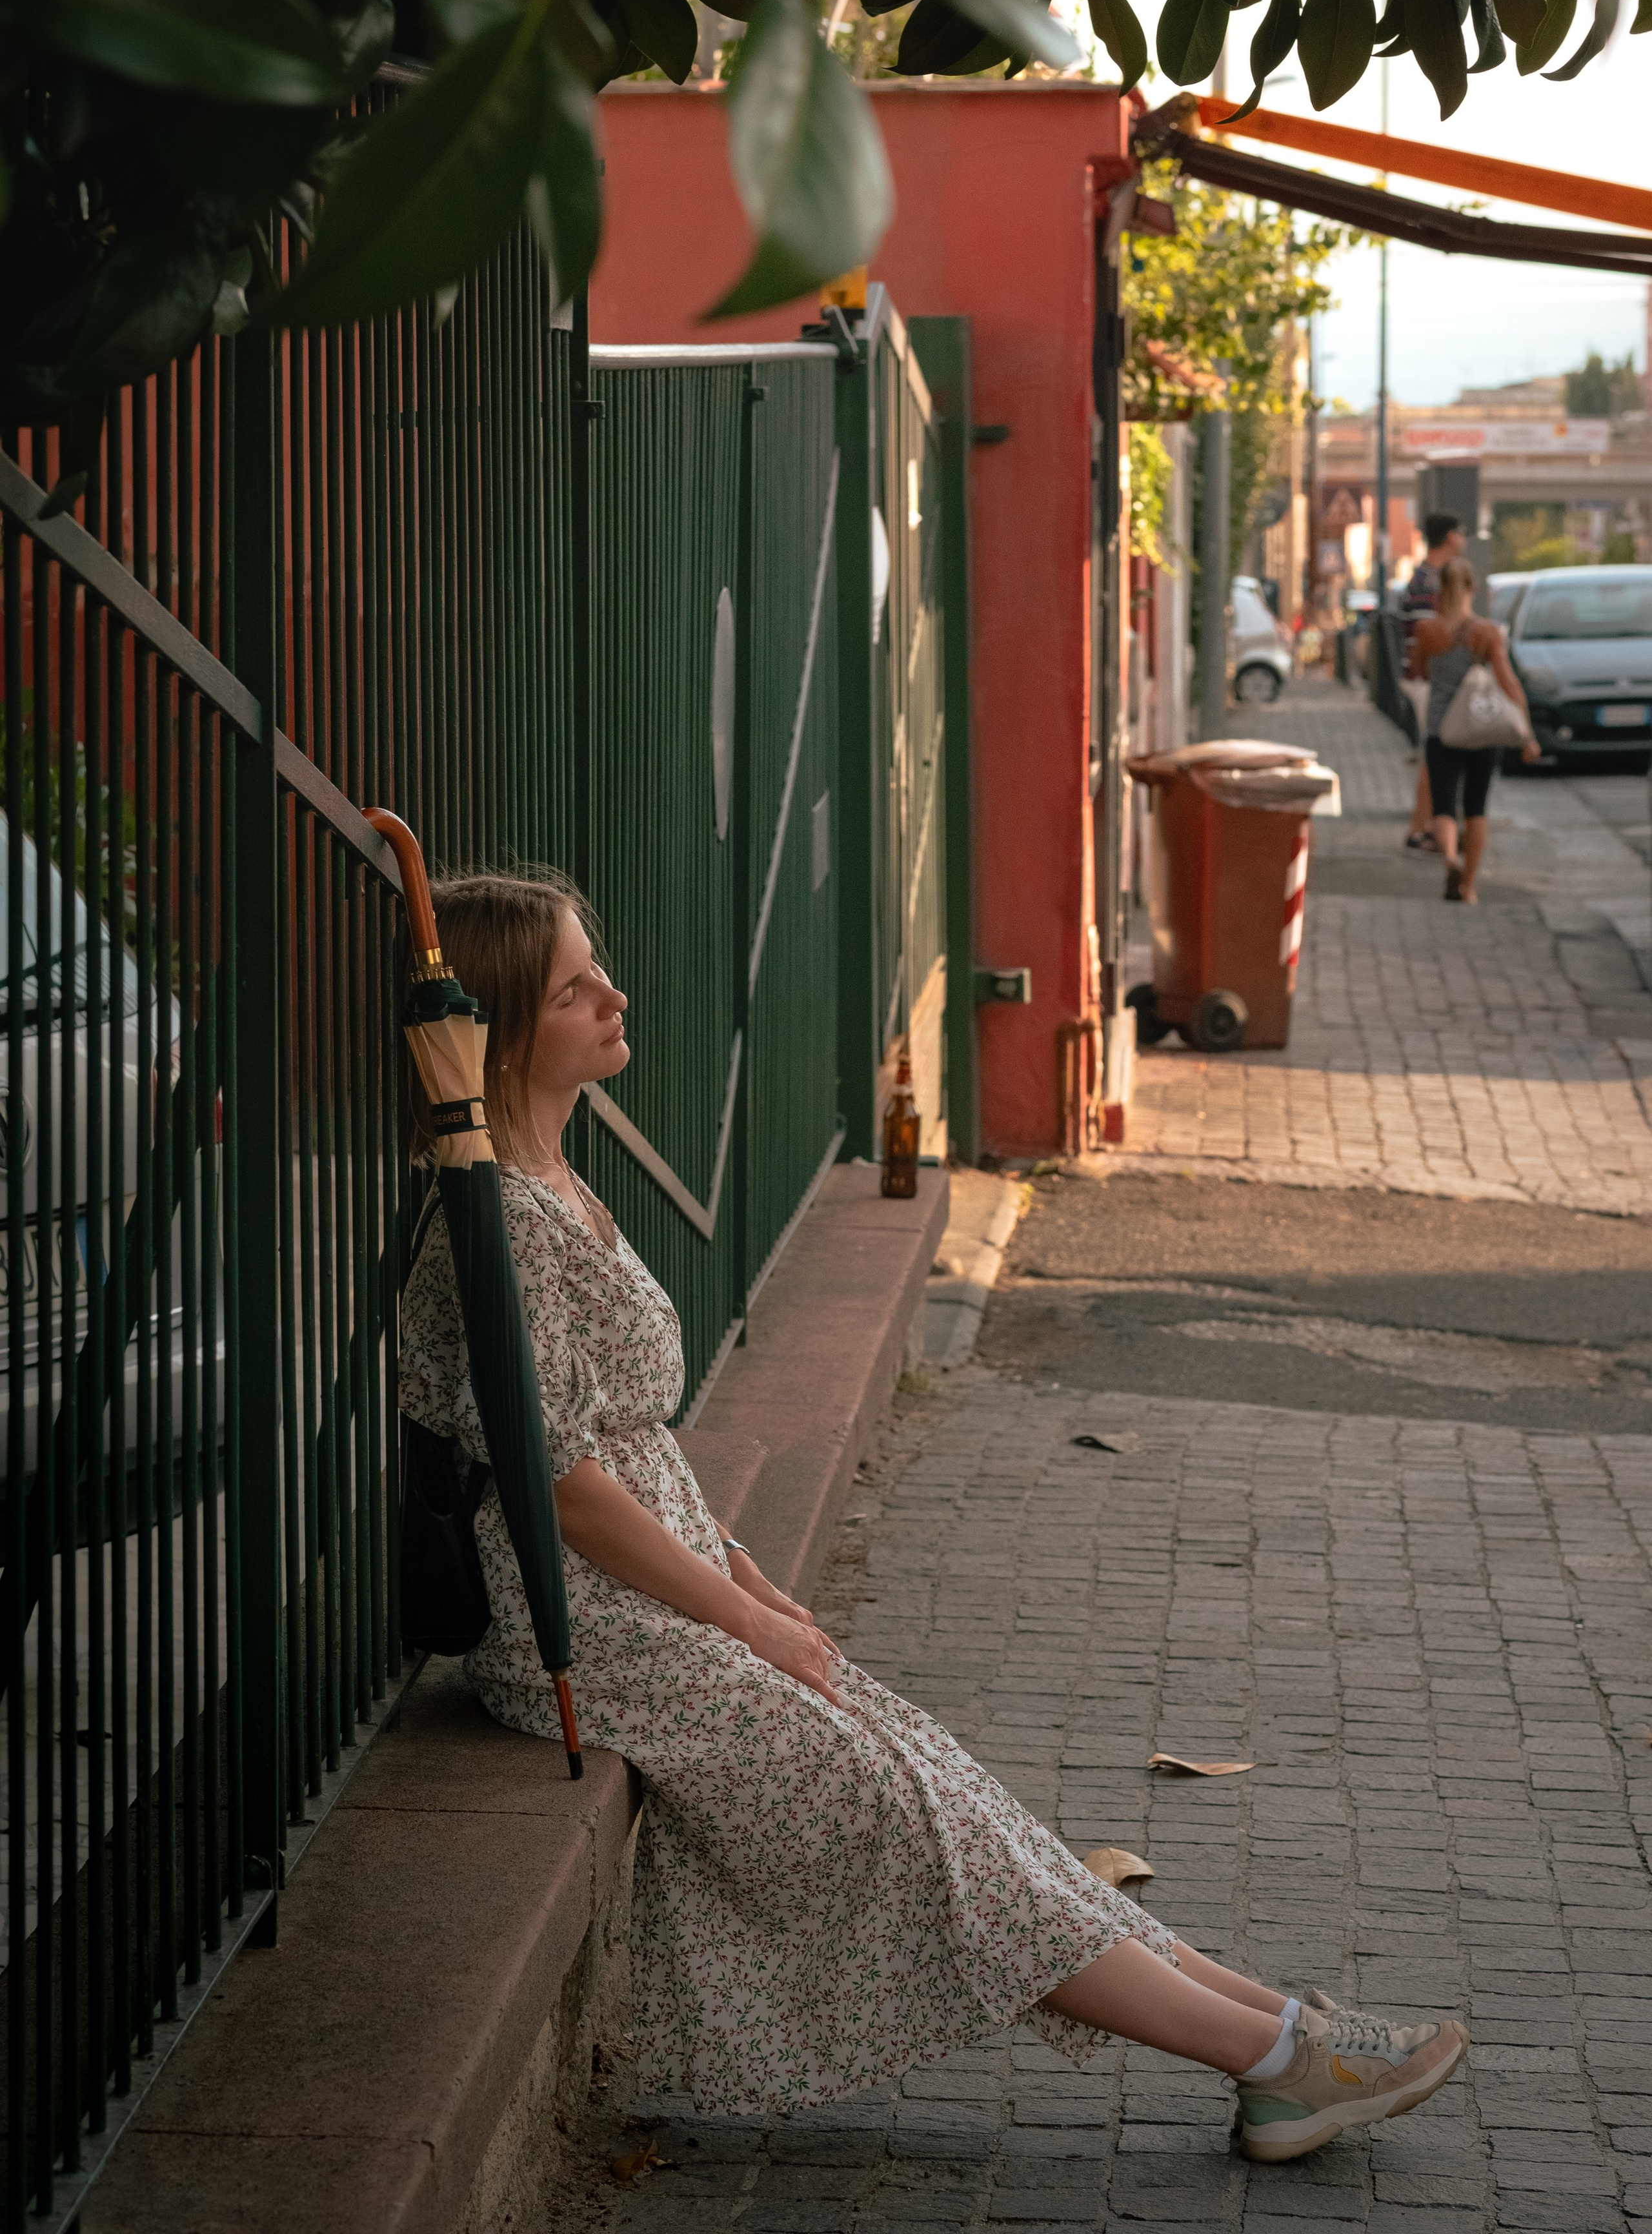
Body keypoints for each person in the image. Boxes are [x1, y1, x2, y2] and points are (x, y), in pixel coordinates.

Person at [398, 872, 1467, 2162]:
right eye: (577, 987)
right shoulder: (502, 1218)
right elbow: (562, 1482)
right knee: (905, 1816)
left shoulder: (553, 1179)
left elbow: (624, 1446)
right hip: (585, 1627)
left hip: (659, 1585)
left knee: (943, 1787)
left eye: (600, 965)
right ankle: (1272, 2054)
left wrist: (741, 1572)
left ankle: (1278, 2027)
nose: (616, 995)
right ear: (505, 1032)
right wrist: (740, 1609)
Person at [1413, 556, 1540, 903]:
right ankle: (1468, 886)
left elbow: (1420, 671)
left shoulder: (1427, 630)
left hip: (1441, 729)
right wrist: (1527, 732)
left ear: (1442, 589)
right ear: (1472, 588)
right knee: (1476, 806)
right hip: (1481, 728)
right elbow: (1508, 681)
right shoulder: (1486, 632)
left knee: (1443, 805)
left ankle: (1451, 860)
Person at [1400, 511, 1466, 850]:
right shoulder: (1432, 580)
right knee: (1436, 751)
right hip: (1426, 679)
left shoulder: (1429, 575)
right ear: (1451, 537)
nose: (1465, 540)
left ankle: (1425, 826)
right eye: (1462, 533)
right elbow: (1428, 636)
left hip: (1424, 678)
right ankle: (1422, 828)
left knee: (1435, 751)